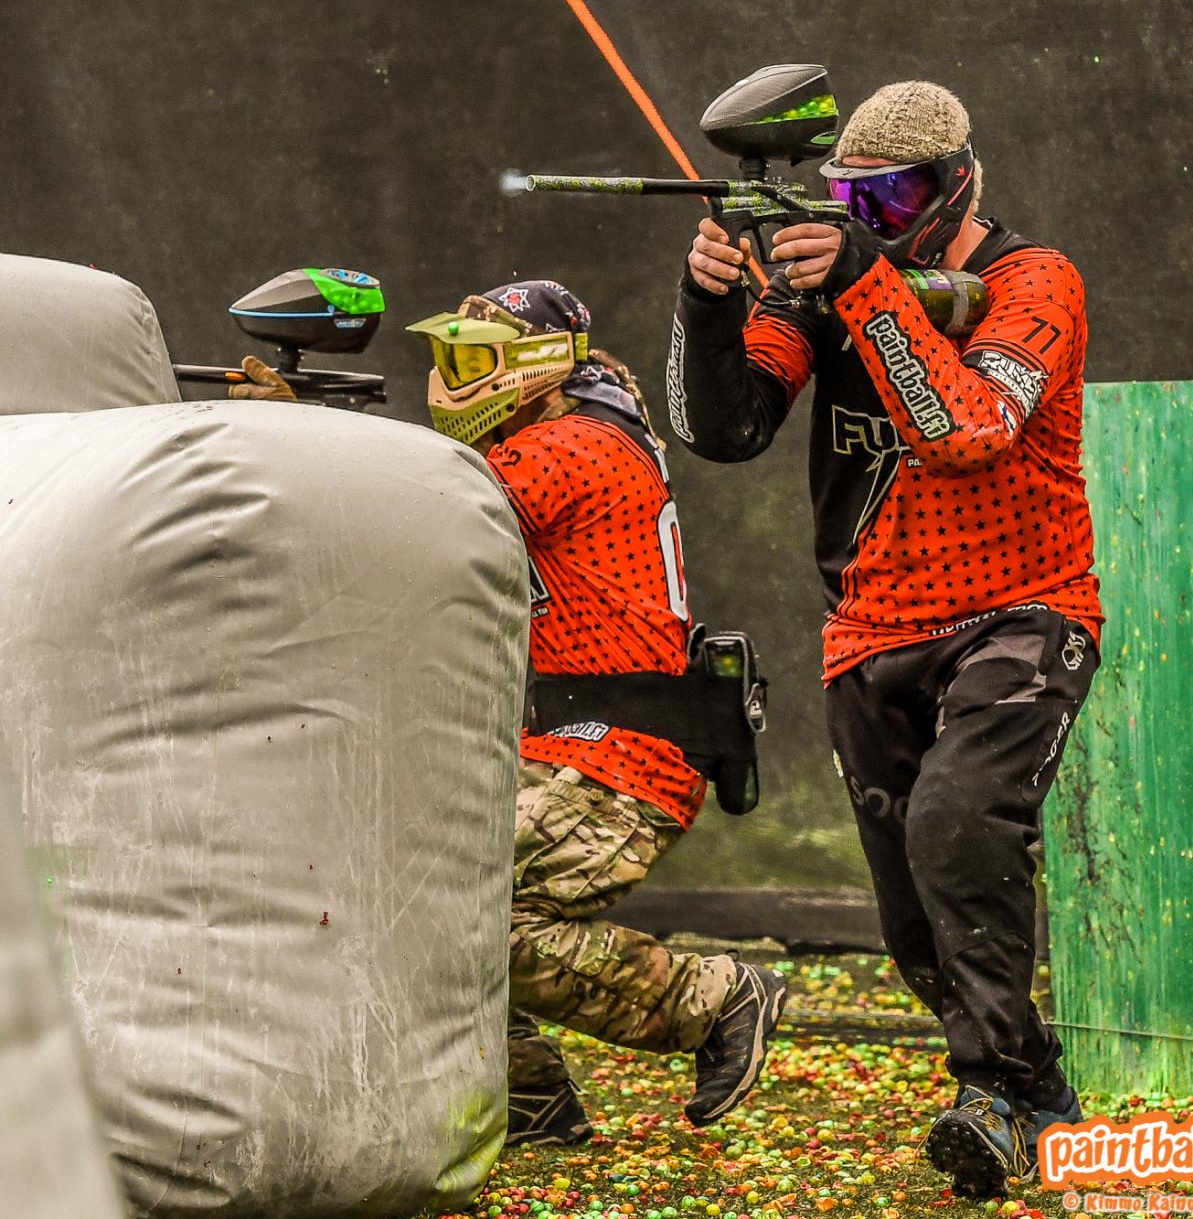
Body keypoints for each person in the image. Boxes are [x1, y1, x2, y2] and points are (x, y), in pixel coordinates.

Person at [670, 81, 1102, 1198]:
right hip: (870, 629)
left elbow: (969, 428)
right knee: (914, 921)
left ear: (957, 181)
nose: (870, 219)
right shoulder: (830, 287)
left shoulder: (1034, 281)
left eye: (894, 198)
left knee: (958, 823)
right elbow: (725, 428)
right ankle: (1035, 1100)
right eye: (854, 198)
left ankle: (988, 1094)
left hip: (1022, 612)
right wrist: (708, 305)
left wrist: (861, 279)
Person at [233, 279, 787, 1146]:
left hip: (622, 756)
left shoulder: (568, 446)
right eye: (448, 359)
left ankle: (711, 1000)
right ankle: (523, 1089)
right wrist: (304, 433)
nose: (451, 377)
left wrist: (297, 437)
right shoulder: (573, 433)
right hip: (576, 746)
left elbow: (416, 514)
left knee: (457, 911)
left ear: (532, 367)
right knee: (408, 892)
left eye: (472, 361)